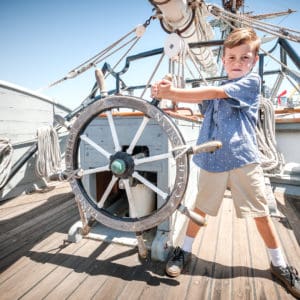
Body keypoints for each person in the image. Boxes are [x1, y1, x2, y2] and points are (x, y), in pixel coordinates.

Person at [151, 27, 300, 298]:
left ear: (254, 61)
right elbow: (201, 105)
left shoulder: (250, 83)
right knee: (200, 210)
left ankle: (280, 264)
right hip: (212, 159)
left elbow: (216, 94)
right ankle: (182, 251)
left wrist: (173, 92)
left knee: (261, 214)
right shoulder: (217, 90)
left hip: (244, 159)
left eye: (244, 58)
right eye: (231, 57)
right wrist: (169, 96)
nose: (237, 63)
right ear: (223, 59)